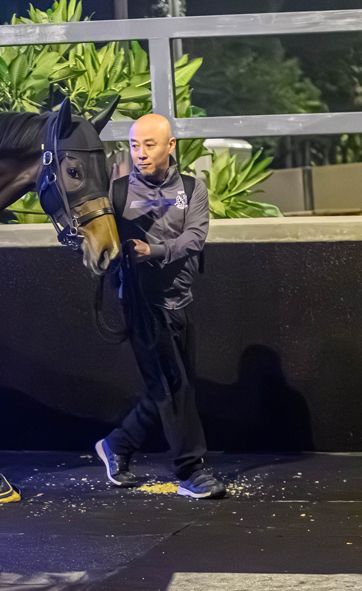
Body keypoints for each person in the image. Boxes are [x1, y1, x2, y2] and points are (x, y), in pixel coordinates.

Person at [95, 113, 226, 499]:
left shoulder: (191, 188)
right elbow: (94, 237)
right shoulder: (115, 192)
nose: (140, 153)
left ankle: (116, 445)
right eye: (135, 145)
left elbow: (194, 238)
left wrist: (153, 250)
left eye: (149, 145)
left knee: (170, 387)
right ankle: (190, 471)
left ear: (170, 146)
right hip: (140, 303)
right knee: (172, 387)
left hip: (180, 300)